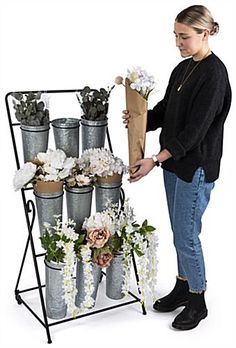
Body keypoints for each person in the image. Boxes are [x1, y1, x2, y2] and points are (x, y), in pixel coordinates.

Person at [122, 5, 231, 330]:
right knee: (178, 232)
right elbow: (166, 111)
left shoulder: (214, 74)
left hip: (194, 167)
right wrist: (140, 118)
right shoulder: (182, 69)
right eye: (175, 35)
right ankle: (183, 286)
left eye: (184, 37)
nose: (178, 43)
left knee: (186, 235)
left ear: (205, 33)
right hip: (173, 163)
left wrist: (155, 160)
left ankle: (198, 300)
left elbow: (194, 132)